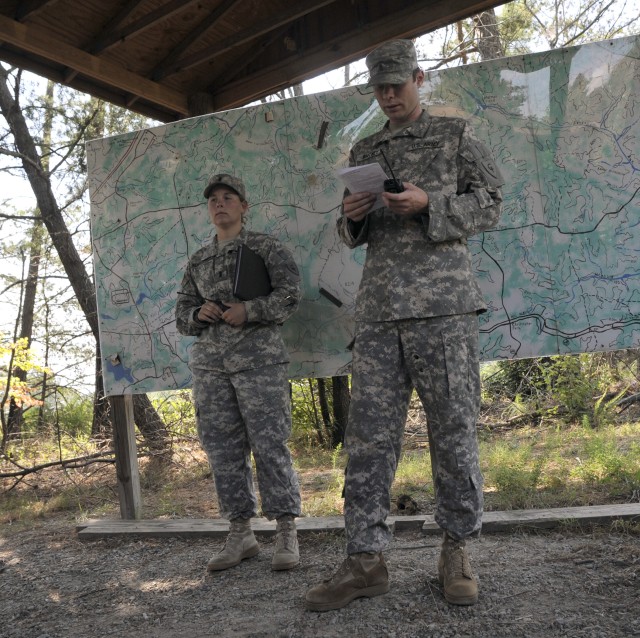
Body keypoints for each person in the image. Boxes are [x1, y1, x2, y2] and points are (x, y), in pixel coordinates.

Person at [305, 40, 504, 611]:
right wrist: (351, 218)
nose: (389, 95)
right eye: (380, 88)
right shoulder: (365, 148)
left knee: (453, 430)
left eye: (398, 84)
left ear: (420, 78)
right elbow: (351, 235)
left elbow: (492, 203)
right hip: (379, 313)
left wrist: (430, 203)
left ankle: (457, 549)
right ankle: (365, 560)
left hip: (443, 310)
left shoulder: (456, 138)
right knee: (367, 440)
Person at [175, 173, 302, 572]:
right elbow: (181, 315)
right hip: (212, 369)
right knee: (223, 452)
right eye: (213, 199)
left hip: (259, 362)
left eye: (229, 197)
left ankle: (285, 532)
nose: (220, 203)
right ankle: (240, 533)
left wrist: (250, 310)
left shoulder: (265, 248)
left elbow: (290, 294)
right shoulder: (198, 259)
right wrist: (199, 313)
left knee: (270, 446)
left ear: (244, 207)